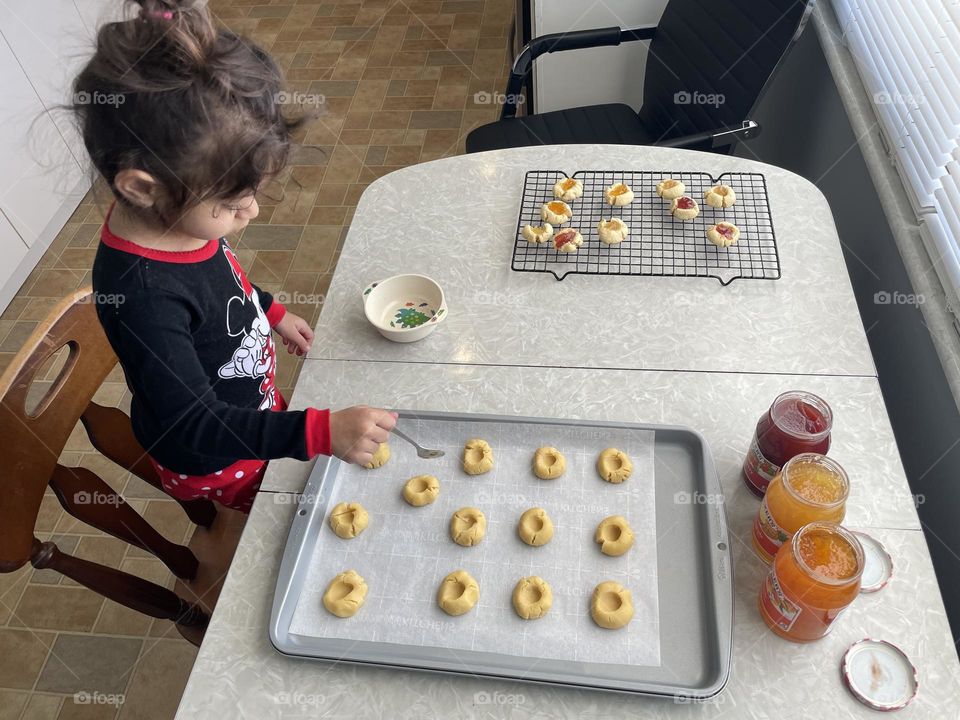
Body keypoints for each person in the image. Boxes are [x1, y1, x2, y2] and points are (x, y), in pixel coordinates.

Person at [71, 0, 395, 512]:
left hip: (251, 403)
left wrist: (269, 311)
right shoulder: (141, 295)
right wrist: (319, 431)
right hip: (219, 459)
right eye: (232, 203)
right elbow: (196, 422)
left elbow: (222, 284)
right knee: (266, 523)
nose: (254, 213)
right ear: (142, 188)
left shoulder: (177, 217)